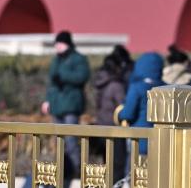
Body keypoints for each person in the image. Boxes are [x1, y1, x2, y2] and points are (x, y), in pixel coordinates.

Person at [42, 30, 90, 180]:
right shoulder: (56, 59)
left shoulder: (78, 59)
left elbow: (82, 76)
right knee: (59, 141)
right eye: (57, 44)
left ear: (67, 44)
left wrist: (64, 75)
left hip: (71, 105)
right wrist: (47, 100)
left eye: (60, 43)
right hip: (57, 105)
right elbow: (52, 83)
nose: (58, 46)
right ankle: (64, 170)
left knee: (70, 140)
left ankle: (77, 171)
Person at [117, 53, 165, 156]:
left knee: (134, 170)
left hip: (139, 139)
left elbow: (128, 114)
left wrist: (119, 113)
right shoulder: (165, 88)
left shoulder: (136, 87)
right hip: (162, 141)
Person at [93, 54, 127, 180]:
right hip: (114, 129)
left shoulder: (100, 82)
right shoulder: (116, 85)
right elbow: (122, 106)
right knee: (117, 165)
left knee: (106, 163)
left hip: (100, 126)